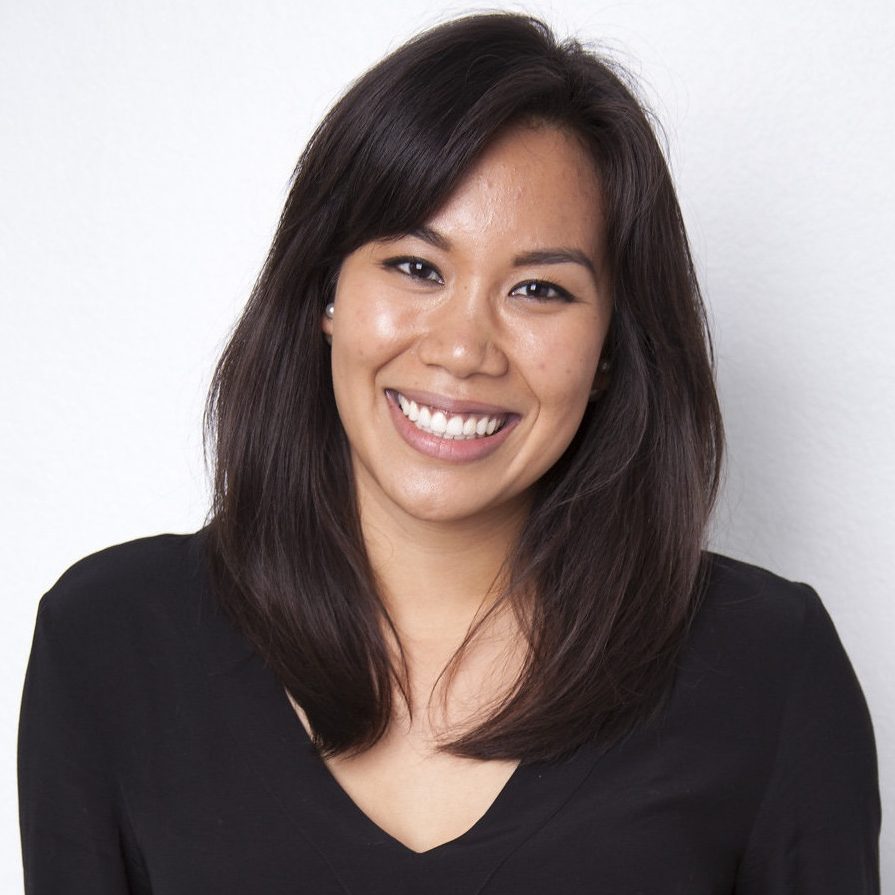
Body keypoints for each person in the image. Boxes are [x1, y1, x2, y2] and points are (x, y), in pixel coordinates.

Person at [17, 12, 880, 894]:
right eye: (415, 268)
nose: (463, 348)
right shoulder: (113, 643)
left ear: (609, 350)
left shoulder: (769, 669)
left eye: (539, 289)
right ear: (324, 291)